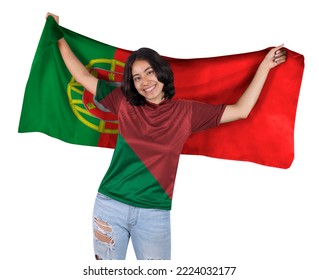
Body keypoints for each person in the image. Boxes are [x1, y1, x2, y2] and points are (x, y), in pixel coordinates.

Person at [46, 13, 286, 260]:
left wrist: (264, 66)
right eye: (137, 77)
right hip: (110, 206)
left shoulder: (187, 112)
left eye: (149, 72)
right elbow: (83, 77)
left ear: (161, 72)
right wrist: (58, 34)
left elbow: (241, 110)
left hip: (154, 214)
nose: (145, 82)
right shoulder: (123, 101)